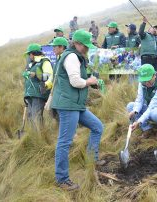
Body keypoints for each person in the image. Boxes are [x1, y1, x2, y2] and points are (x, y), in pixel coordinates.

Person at [51, 30, 105, 191]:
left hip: (76, 105)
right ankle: (62, 179)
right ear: (77, 44)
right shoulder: (72, 56)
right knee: (65, 142)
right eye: (86, 46)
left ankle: (92, 159)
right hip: (68, 105)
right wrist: (89, 81)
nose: (88, 49)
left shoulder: (76, 56)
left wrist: (90, 81)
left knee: (97, 126)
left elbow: (76, 78)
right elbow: (75, 81)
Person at [22, 43, 53, 126]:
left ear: (32, 53)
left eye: (29, 54)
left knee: (36, 117)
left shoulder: (44, 61)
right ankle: (35, 137)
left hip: (39, 93)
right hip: (30, 94)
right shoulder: (31, 64)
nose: (28, 56)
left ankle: (39, 137)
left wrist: (35, 75)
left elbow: (49, 76)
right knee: (31, 117)